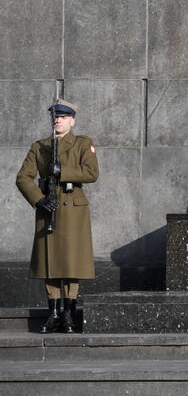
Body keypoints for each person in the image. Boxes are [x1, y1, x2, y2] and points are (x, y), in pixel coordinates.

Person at [15, 100, 99, 334]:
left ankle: (69, 313)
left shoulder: (83, 144)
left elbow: (92, 173)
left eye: (63, 117)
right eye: (55, 117)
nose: (58, 120)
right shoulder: (40, 146)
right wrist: (38, 199)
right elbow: (23, 177)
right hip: (48, 207)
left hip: (72, 209)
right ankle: (53, 313)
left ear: (72, 120)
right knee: (49, 262)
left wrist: (62, 171)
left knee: (71, 262)